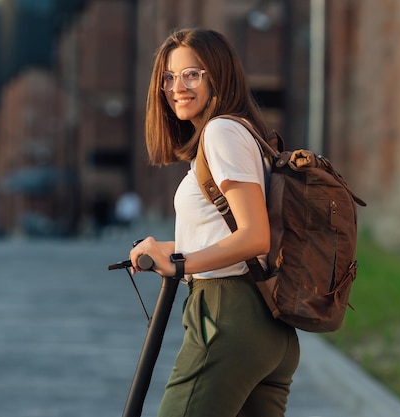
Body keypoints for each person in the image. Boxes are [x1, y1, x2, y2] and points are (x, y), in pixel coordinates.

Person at [130, 28, 300, 417]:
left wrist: (179, 265)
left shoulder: (221, 132)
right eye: (169, 77)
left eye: (192, 74)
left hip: (228, 316)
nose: (177, 87)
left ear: (218, 75)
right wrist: (167, 250)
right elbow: (230, 232)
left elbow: (254, 236)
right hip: (269, 329)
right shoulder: (247, 134)